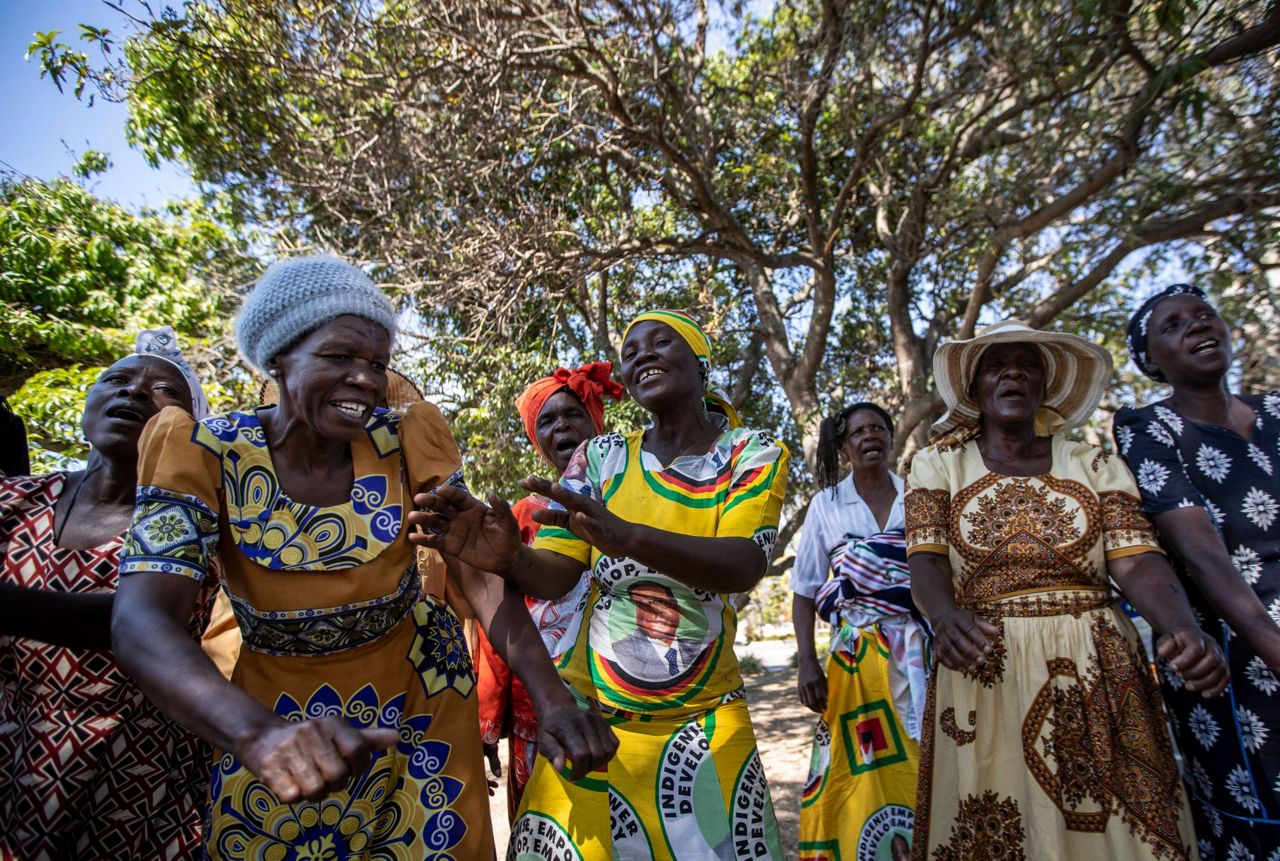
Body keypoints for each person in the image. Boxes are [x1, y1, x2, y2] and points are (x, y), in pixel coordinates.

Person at [111, 255, 616, 859]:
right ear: (278, 357)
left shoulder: (407, 438)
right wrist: (257, 735)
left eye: (376, 363)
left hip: (423, 703)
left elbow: (479, 582)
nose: (365, 379)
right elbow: (140, 620)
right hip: (275, 720)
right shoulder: (200, 451)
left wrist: (554, 699)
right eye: (339, 357)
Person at [414, 309, 791, 859]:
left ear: (700, 361)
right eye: (631, 350)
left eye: (661, 342)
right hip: (592, 718)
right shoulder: (601, 457)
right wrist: (511, 560)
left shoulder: (752, 452)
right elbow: (557, 573)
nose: (642, 354)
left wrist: (628, 538)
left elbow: (743, 564)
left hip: (704, 720)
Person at [905, 319, 1227, 860]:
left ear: (1044, 386)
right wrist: (944, 617)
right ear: (974, 389)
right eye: (995, 365)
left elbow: (1135, 559)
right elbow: (927, 560)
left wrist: (1181, 629)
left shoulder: (1092, 463)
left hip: (1097, 663)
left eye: (1028, 364)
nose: (1013, 373)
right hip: (985, 664)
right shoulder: (938, 463)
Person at [0, 327, 216, 860]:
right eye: (117, 380)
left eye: (162, 391)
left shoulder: (191, 521)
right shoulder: (15, 500)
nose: (135, 393)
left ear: (188, 426)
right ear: (89, 404)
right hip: (11, 756)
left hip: (132, 781)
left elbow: (139, 617)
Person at [1115, 284, 1280, 857]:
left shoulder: (1277, 411)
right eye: (1173, 326)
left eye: (1205, 316)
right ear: (1151, 362)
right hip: (1235, 650)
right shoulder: (1146, 428)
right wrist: (1272, 645)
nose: (1197, 326)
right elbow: (1201, 552)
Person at [474, 361, 623, 820]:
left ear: (596, 423)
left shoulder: (630, 501)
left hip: (626, 693)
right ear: (537, 440)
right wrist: (488, 718)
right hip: (543, 699)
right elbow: (499, 614)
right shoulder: (523, 514)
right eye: (547, 420)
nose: (562, 425)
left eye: (573, 414)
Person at [791, 402, 926, 860]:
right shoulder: (826, 506)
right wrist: (807, 663)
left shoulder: (921, 496)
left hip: (921, 652)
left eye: (878, 428)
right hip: (856, 660)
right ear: (843, 447)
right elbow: (805, 591)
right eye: (857, 432)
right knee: (860, 767)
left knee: (922, 754)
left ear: (891, 437)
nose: (869, 436)